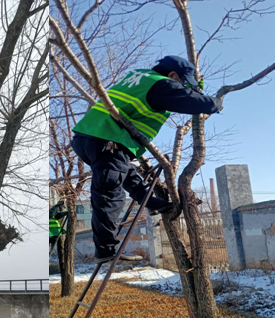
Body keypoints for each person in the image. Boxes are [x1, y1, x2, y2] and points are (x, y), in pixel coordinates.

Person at [71, 55, 222, 262]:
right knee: (109, 193)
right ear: (172, 75)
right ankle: (106, 249)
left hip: (90, 137)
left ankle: (151, 202)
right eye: (182, 82)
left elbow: (185, 92)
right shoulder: (161, 85)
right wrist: (216, 102)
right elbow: (192, 101)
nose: (181, 87)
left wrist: (195, 83)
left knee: (126, 174)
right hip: (109, 139)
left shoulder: (139, 76)